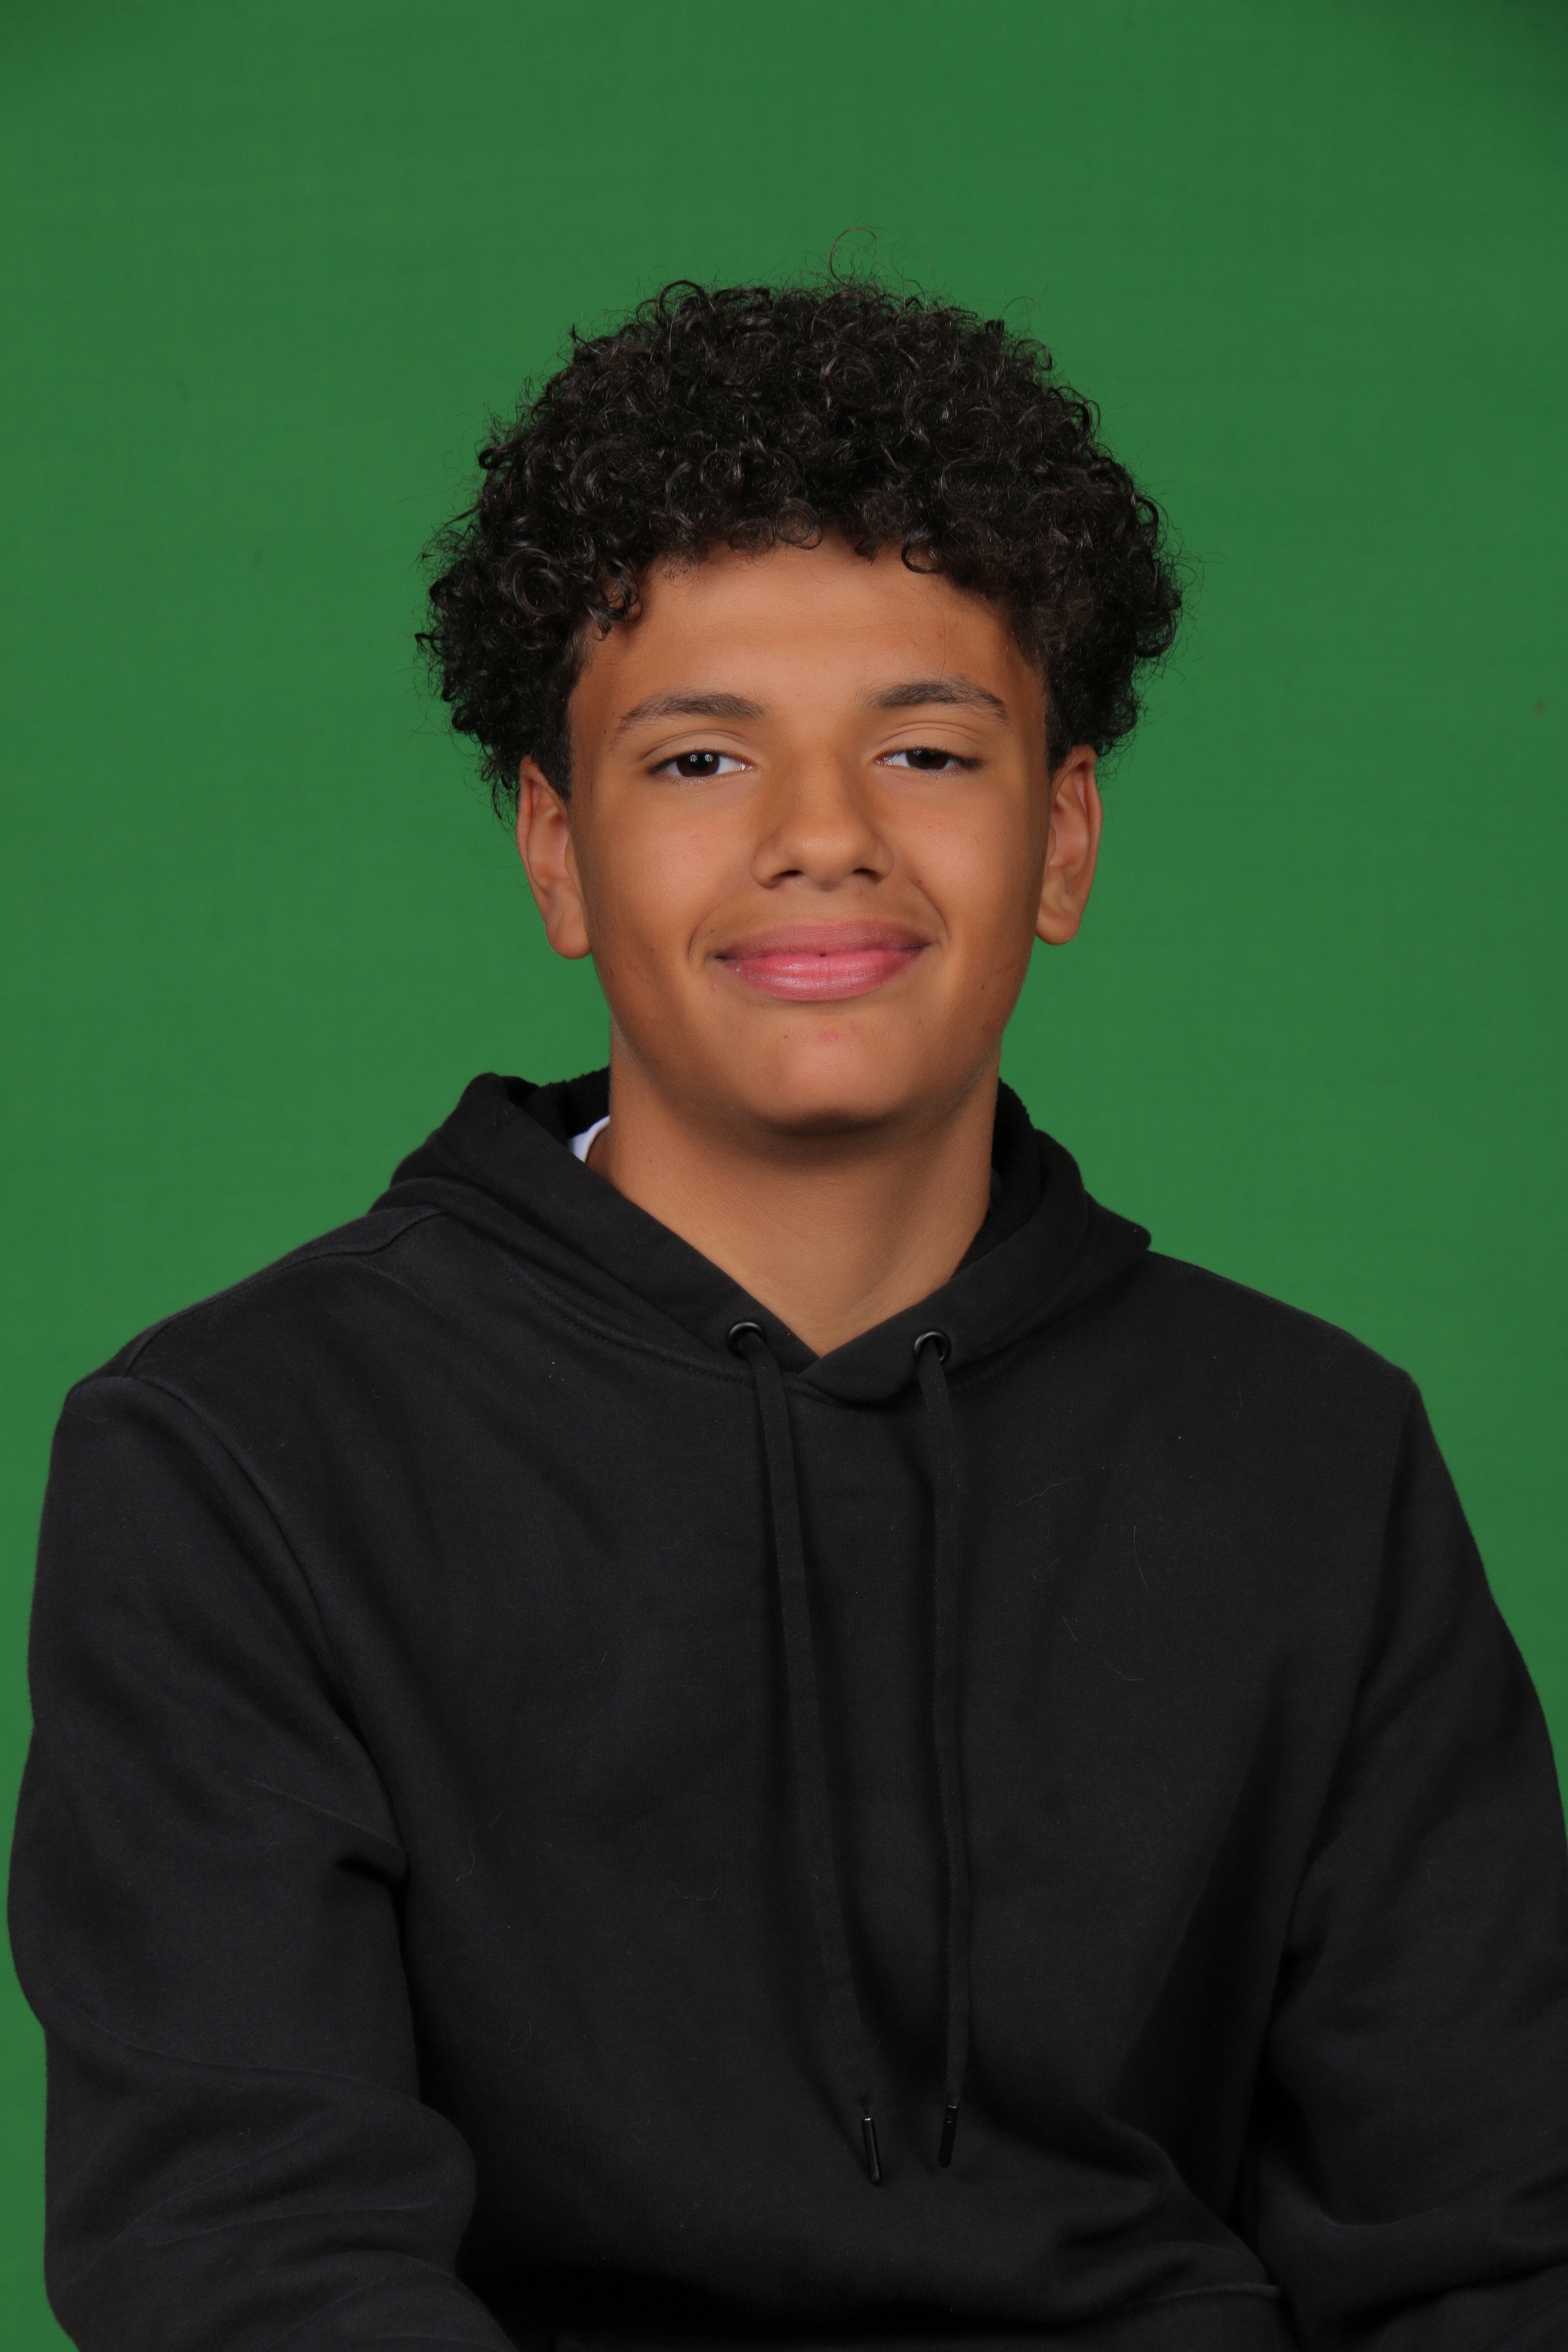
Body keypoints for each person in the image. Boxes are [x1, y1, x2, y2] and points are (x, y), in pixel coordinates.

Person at [10, 280, 1568, 2352]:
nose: (822, 836)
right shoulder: (238, 1455)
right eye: (700, 756)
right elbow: (246, 2256)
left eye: (925, 750)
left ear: (1063, 838)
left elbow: (1488, 2246)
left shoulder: (1315, 1457)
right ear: (558, 854)